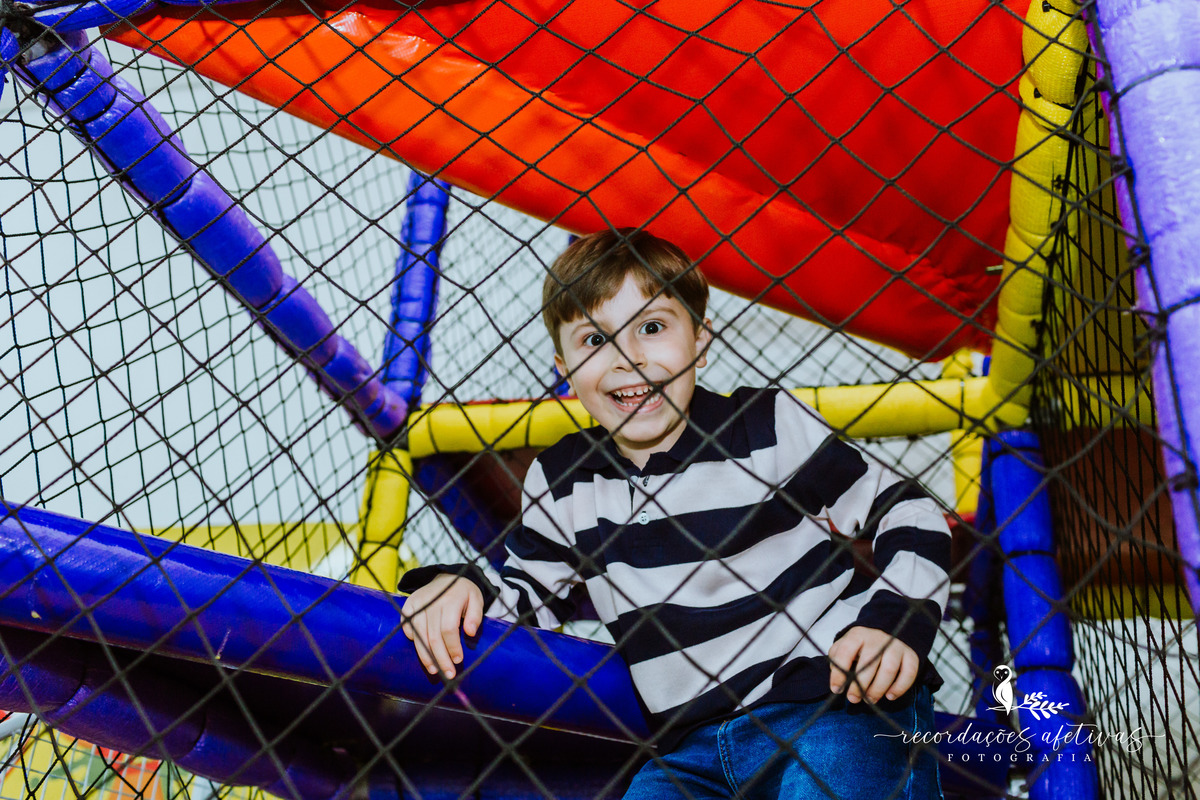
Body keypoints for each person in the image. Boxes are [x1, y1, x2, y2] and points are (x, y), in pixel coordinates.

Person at [399, 228, 950, 799]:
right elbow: (521, 591)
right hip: (689, 752)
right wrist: (458, 589)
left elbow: (907, 508)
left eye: (653, 328)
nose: (627, 357)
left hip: (834, 701)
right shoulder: (565, 481)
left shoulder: (766, 425)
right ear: (564, 368)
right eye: (594, 340)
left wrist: (894, 622)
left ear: (700, 342)